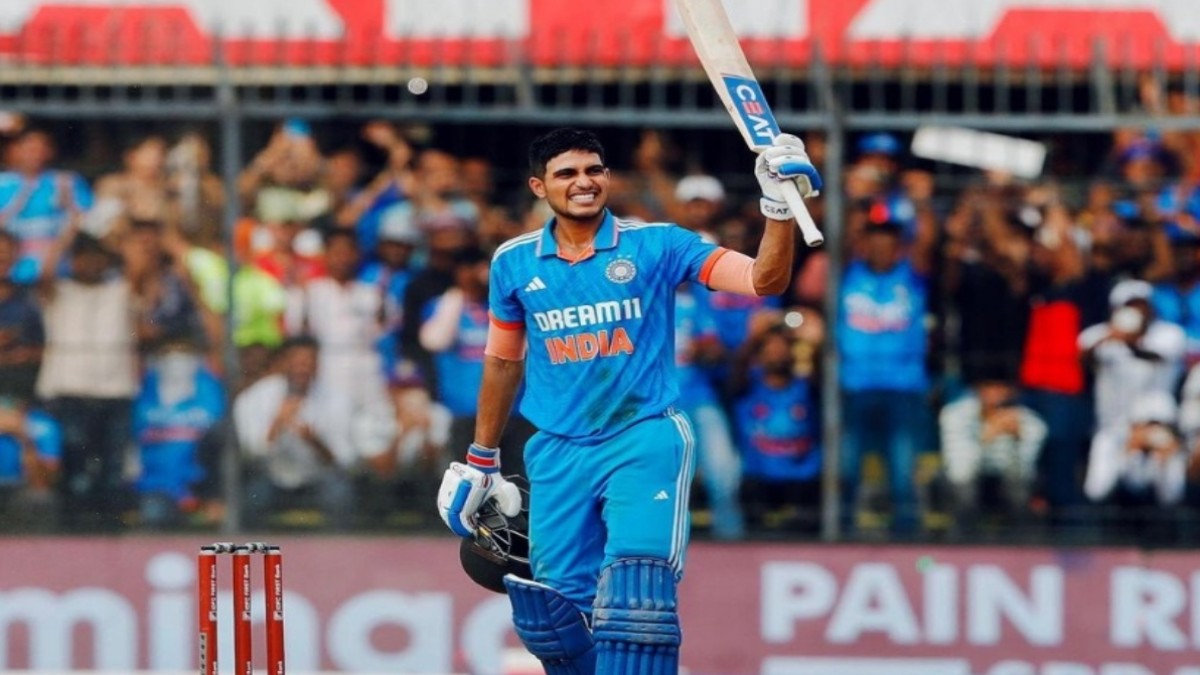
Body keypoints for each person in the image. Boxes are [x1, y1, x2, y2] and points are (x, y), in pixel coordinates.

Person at [435, 127, 819, 674]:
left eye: (594, 170)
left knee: (636, 600)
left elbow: (765, 281)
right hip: (556, 450)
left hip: (643, 437)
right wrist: (482, 459)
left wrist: (777, 209)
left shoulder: (658, 244)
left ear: (609, 177)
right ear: (539, 187)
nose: (583, 182)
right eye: (567, 173)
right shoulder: (513, 262)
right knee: (554, 621)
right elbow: (501, 362)